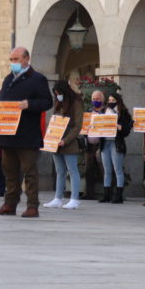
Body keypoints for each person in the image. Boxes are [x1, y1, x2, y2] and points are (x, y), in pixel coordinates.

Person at [0, 47, 53, 218]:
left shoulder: (37, 78)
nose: (13, 63)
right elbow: (2, 102)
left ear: (26, 59)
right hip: (8, 134)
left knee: (29, 172)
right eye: (11, 60)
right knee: (9, 172)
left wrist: (30, 104)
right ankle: (10, 204)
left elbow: (47, 102)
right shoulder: (8, 79)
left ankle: (32, 206)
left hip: (27, 134)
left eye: (16, 59)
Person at [42, 80, 83, 210]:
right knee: (60, 171)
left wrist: (66, 140)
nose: (58, 95)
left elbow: (78, 125)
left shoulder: (76, 102)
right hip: (56, 140)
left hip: (68, 141)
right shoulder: (58, 102)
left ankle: (74, 199)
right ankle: (58, 198)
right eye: (56, 94)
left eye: (59, 93)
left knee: (72, 170)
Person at [97, 92, 132, 205]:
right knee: (107, 170)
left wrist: (121, 127)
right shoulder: (104, 111)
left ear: (118, 101)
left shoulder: (124, 113)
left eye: (113, 100)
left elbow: (127, 130)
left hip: (116, 143)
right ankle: (106, 195)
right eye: (109, 100)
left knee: (118, 170)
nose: (111, 102)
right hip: (105, 143)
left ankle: (118, 196)